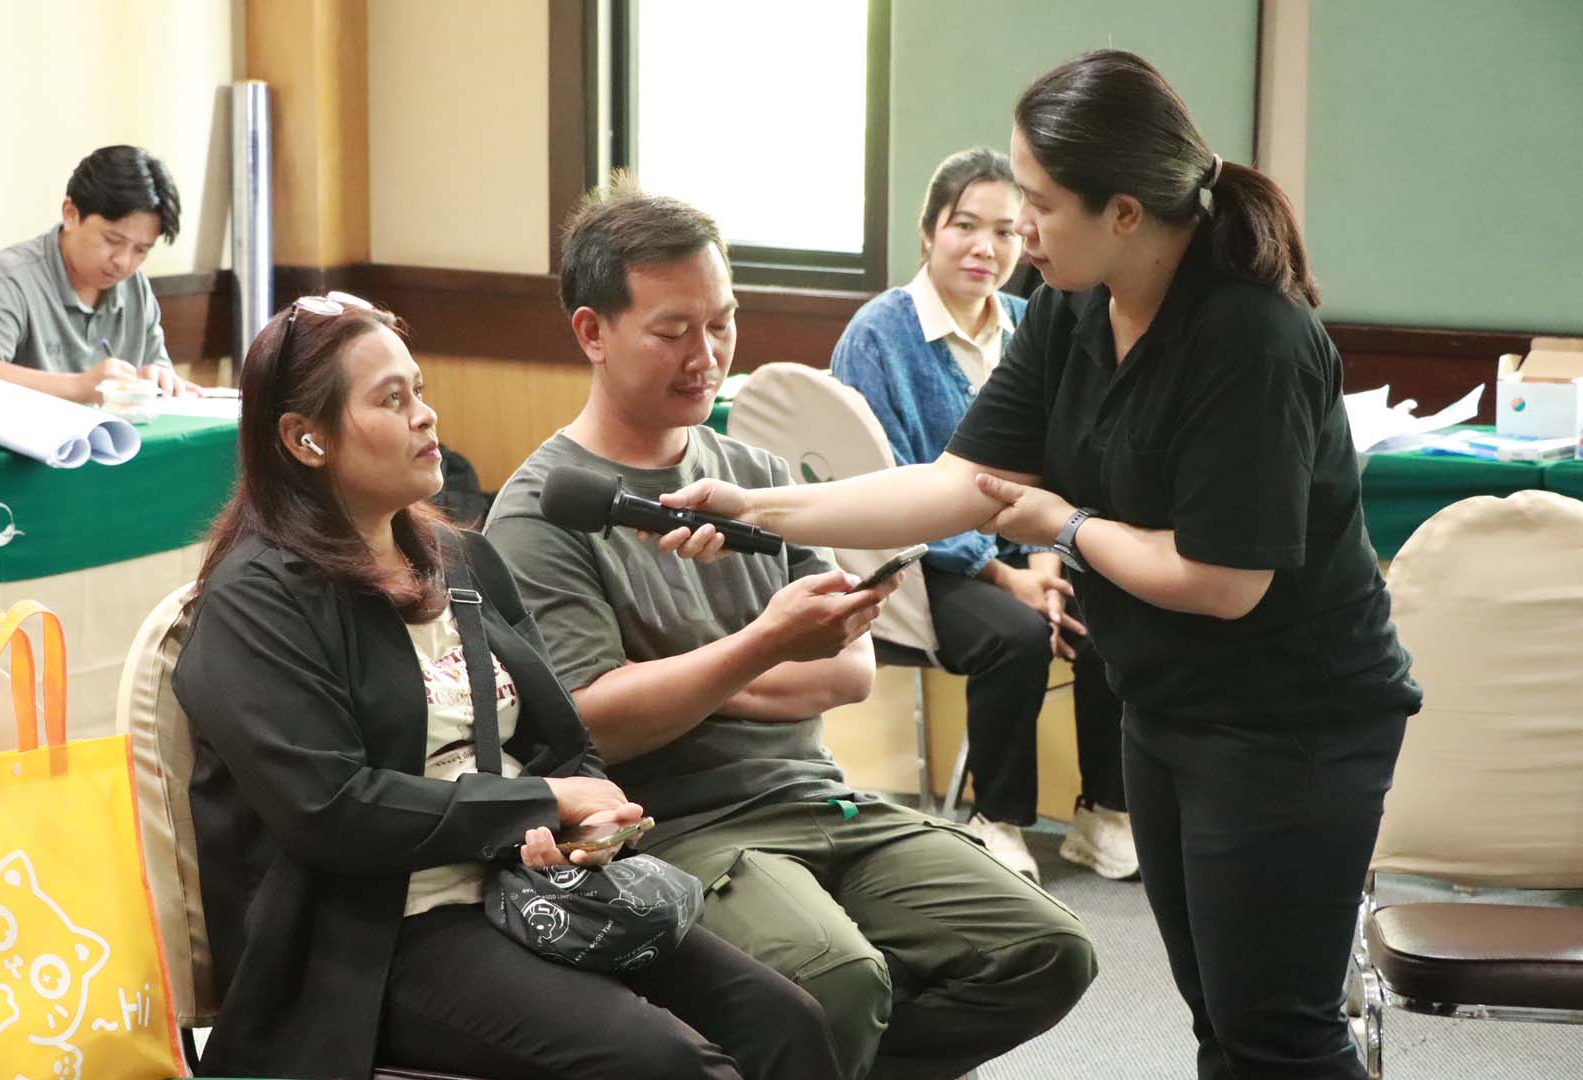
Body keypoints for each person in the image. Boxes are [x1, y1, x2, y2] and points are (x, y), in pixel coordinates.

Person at [656, 50, 1422, 1080]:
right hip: (1169, 704)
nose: (1019, 230)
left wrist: (1066, 524)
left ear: (1123, 211)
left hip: (1292, 725)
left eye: (1040, 204)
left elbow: (1223, 582)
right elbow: (956, 484)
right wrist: (758, 506)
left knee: (1280, 1035)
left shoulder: (1252, 336)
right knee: (1222, 1023)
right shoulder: (1073, 306)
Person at [486, 181, 1096, 1080]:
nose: (707, 355)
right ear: (592, 332)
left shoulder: (757, 476)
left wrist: (688, 675)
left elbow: (848, 673)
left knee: (1048, 951)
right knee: (837, 983)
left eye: (722, 322)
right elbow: (596, 723)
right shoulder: (543, 509)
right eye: (673, 331)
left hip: (821, 796)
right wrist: (764, 645)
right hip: (679, 824)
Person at [170, 291, 843, 1080]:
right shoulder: (257, 601)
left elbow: (562, 741)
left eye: (419, 389)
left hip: (526, 887)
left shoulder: (461, 561)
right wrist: (541, 803)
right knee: (666, 1064)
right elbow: (332, 811)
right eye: (392, 399)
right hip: (376, 939)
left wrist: (590, 820)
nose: (426, 415)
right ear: (304, 438)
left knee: (785, 1023)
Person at [830, 146, 1135, 883]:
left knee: (1116, 613)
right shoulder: (877, 336)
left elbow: (1060, 459)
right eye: (965, 226)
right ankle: (995, 818)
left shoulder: (1034, 321)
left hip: (1035, 547)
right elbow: (891, 486)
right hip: (924, 565)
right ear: (928, 230)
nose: (985, 248)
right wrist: (1007, 576)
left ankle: (1104, 811)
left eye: (1004, 231)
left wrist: (1048, 563)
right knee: (1017, 636)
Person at [0, 144, 199, 403]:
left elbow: (157, 368)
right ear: (70, 214)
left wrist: (157, 380)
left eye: (141, 250)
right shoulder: (7, 278)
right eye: (112, 240)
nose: (123, 262)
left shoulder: (135, 287)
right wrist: (78, 387)